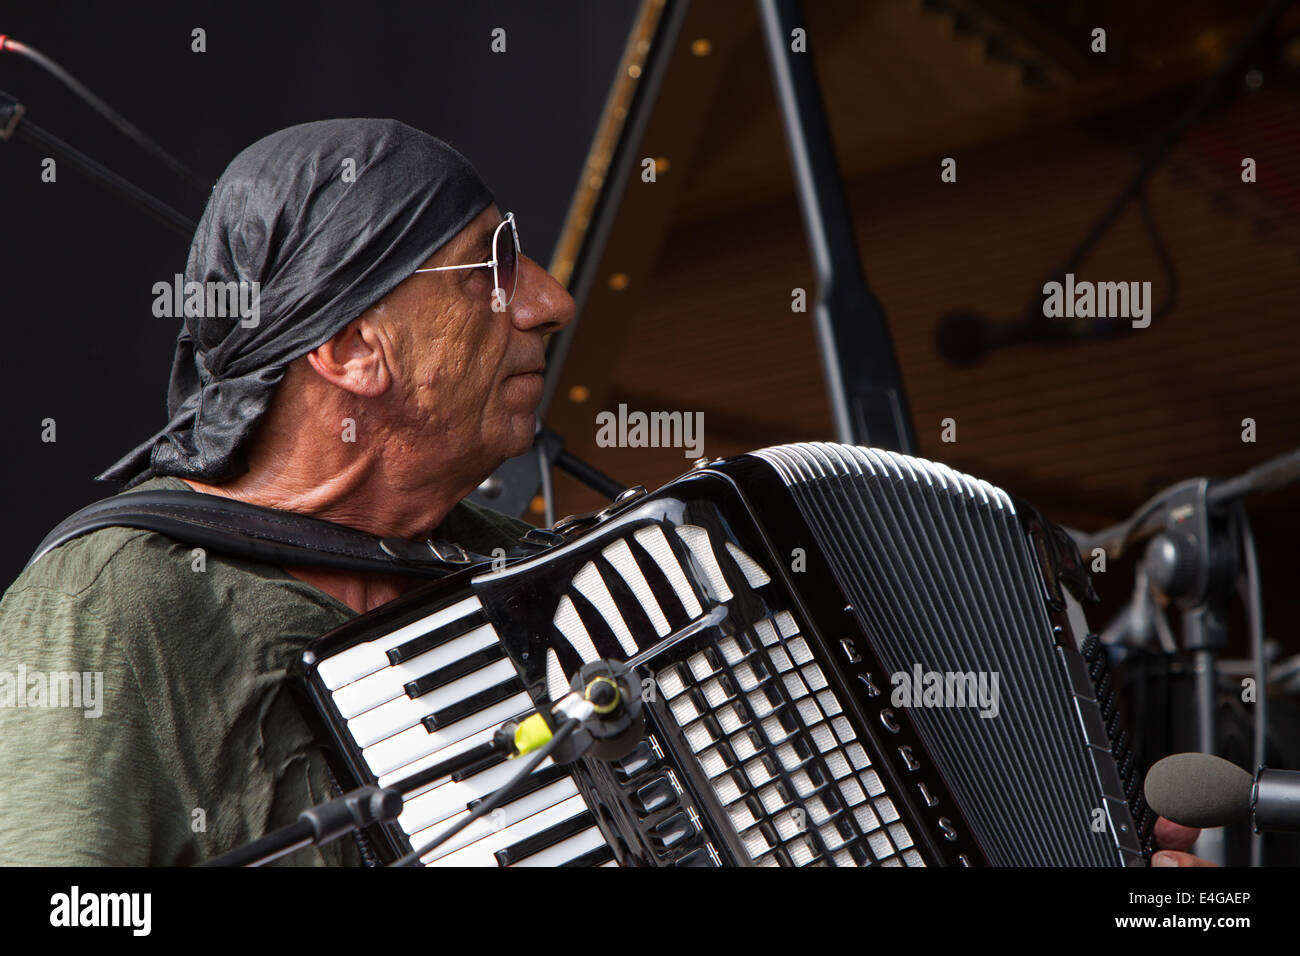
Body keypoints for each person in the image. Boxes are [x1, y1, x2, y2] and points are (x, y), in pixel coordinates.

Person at [0, 119, 572, 865]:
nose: (547, 300)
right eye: (487, 268)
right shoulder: (108, 606)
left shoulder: (514, 567)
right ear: (352, 351)